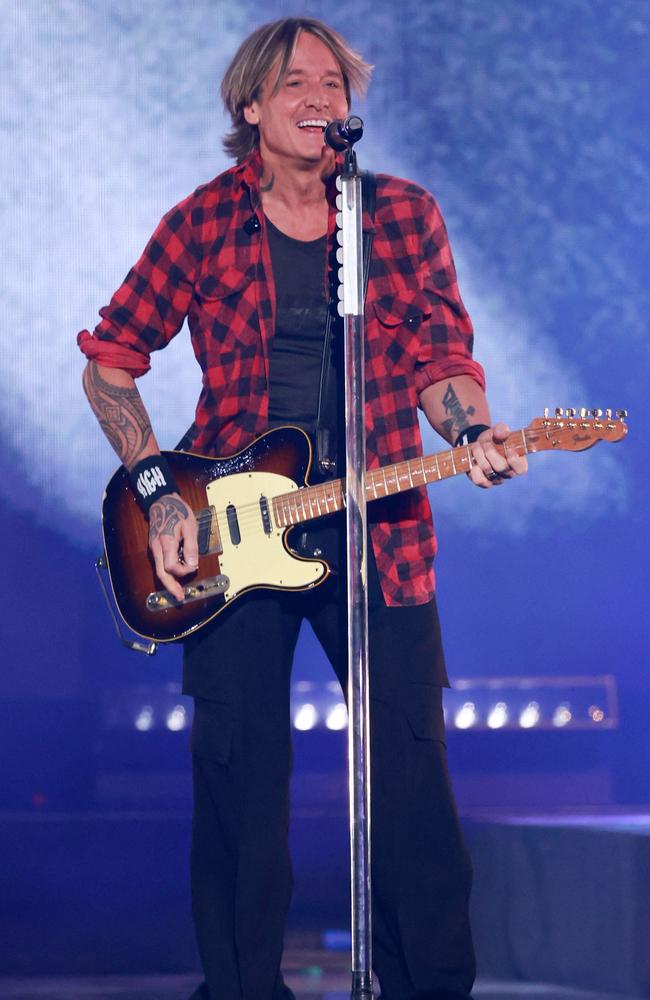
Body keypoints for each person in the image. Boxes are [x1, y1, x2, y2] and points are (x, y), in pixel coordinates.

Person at [78, 17, 527, 1000]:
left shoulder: (400, 215)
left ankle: (426, 984)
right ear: (250, 106)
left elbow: (441, 358)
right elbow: (109, 361)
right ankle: (241, 988)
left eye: (333, 80)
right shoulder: (202, 221)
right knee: (240, 777)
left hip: (379, 525)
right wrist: (157, 495)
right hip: (229, 535)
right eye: (297, 82)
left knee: (407, 770)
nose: (321, 96)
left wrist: (469, 437)